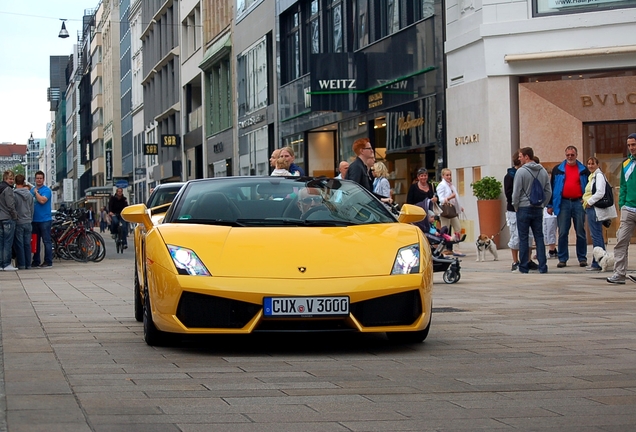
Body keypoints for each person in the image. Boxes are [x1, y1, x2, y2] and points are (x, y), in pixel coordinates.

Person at [548, 146, 590, 268]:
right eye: (568, 155)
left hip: (579, 202)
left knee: (580, 232)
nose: (570, 157)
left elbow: (588, 186)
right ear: (565, 155)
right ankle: (562, 258)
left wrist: (587, 200)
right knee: (562, 232)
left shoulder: (583, 170)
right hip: (563, 203)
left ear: (576, 155)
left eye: (572, 155)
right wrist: (550, 205)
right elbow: (552, 187)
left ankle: (582, 258)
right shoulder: (558, 170)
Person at [512, 147, 552, 274]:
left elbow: (516, 192)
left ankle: (523, 267)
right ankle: (543, 266)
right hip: (537, 208)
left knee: (523, 238)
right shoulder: (543, 171)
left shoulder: (521, 172)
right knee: (539, 236)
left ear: (526, 157)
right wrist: (542, 204)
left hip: (523, 208)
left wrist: (516, 206)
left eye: (520, 156)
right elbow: (548, 191)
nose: (519, 158)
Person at [607, 133, 636, 284]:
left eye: (634, 145)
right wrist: (622, 204)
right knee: (621, 241)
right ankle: (619, 274)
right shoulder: (626, 164)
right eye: (629, 145)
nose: (631, 148)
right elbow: (623, 186)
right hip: (629, 209)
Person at [504, 153, 538, 272]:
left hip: (526, 208)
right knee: (516, 236)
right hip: (514, 210)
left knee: (528, 235)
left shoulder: (526, 173)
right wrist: (516, 203)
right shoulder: (510, 175)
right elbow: (508, 194)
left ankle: (527, 260)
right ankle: (515, 261)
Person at [582, 156, 607, 272]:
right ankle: (602, 260)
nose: (590, 166)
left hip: (594, 208)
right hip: (591, 208)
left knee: (596, 235)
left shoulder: (599, 176)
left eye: (593, 163)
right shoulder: (592, 176)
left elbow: (600, 192)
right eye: (589, 163)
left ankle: (597, 262)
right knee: (597, 235)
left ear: (597, 164)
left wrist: (589, 202)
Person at [30, 170, 53, 269]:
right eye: (37, 178)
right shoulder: (31, 190)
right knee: (35, 241)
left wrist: (36, 193)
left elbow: (42, 201)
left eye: (41, 178)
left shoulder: (46, 190)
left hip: (45, 220)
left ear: (43, 179)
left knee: (46, 241)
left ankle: (48, 261)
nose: (39, 180)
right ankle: (36, 261)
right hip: (34, 220)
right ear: (35, 179)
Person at [12, 174, 34, 270]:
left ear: (15, 182)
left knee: (19, 244)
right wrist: (30, 219)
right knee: (27, 244)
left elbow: (13, 208)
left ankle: (21, 264)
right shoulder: (29, 194)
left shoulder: (14, 194)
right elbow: (32, 208)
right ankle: (28, 264)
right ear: (24, 181)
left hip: (19, 221)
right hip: (28, 221)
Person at [0, 170, 18, 271]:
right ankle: (6, 263)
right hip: (7, 218)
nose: (11, 180)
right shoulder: (8, 189)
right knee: (8, 242)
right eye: (9, 179)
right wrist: (15, 216)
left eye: (12, 179)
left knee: (1, 242)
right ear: (5, 179)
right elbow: (10, 205)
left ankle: (1, 263)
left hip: (0, 218)